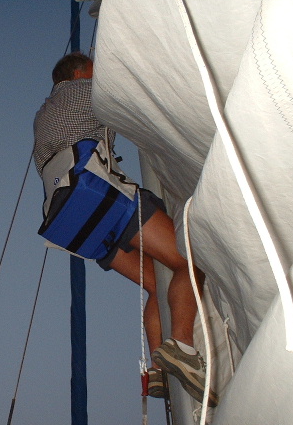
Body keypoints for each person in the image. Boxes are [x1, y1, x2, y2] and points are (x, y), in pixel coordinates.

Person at [32, 52, 217, 405]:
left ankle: (159, 371)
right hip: (100, 197)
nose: (97, 74)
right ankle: (182, 347)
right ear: (79, 74)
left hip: (75, 225)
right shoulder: (80, 92)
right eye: (93, 70)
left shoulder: (44, 115)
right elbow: (130, 91)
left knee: (157, 285)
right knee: (189, 263)